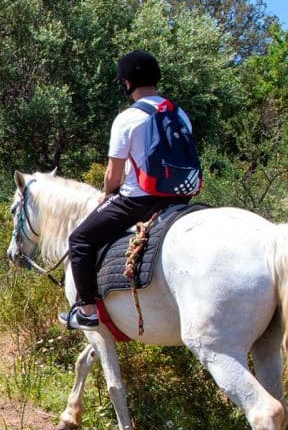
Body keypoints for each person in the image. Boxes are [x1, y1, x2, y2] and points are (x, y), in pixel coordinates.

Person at [59, 50, 199, 330]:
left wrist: (107, 192)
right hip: (181, 197)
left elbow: (114, 173)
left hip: (140, 200)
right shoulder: (179, 113)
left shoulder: (128, 118)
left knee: (80, 240)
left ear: (126, 83)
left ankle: (86, 310)